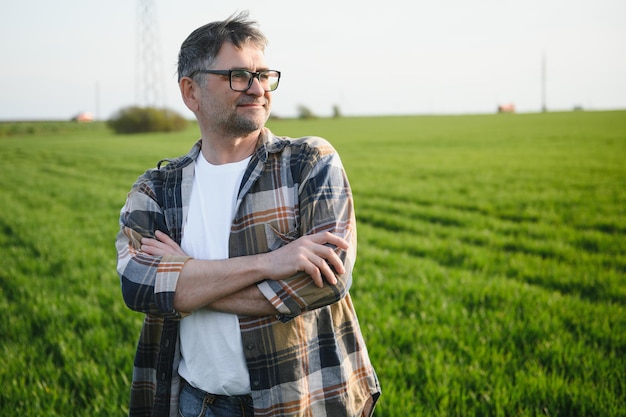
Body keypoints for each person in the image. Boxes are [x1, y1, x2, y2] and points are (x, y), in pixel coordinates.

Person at [116, 11, 380, 417]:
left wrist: (186, 278)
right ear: (191, 92)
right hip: (194, 403)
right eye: (238, 75)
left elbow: (327, 280)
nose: (257, 88)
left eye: (264, 75)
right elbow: (140, 288)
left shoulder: (309, 162)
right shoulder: (156, 189)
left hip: (299, 399)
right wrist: (270, 263)